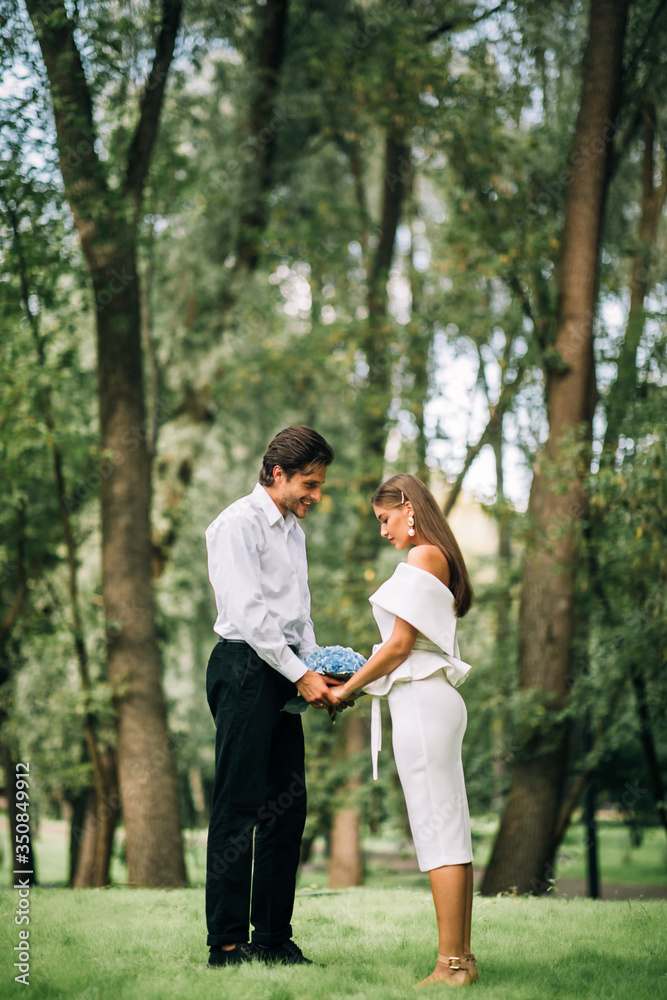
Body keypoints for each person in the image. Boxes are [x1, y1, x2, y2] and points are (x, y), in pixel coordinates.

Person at [204, 425, 342, 968]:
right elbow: (250, 615)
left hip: (283, 668)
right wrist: (298, 673)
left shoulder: (294, 532)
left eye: (321, 485)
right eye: (310, 483)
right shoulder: (235, 525)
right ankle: (227, 944)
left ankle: (272, 937)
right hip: (243, 667)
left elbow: (297, 616)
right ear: (277, 474)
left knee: (287, 808)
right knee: (238, 806)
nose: (317, 496)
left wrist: (318, 669)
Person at [332, 474, 477, 988]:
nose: (382, 531)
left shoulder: (422, 557)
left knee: (439, 835)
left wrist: (345, 689)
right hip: (432, 701)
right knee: (450, 831)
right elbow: (398, 649)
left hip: (421, 705)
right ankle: (461, 959)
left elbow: (397, 647)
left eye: (385, 519)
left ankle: (450, 966)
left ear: (408, 508)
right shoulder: (436, 556)